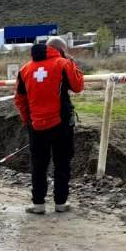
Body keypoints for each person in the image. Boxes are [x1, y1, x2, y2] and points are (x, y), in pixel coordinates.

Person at [14, 36, 84, 214]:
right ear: (61, 50)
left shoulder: (25, 70)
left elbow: (20, 99)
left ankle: (38, 204)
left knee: (38, 164)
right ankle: (60, 203)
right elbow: (77, 86)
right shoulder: (63, 64)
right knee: (62, 162)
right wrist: (73, 65)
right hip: (61, 124)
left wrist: (28, 121)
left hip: (36, 125)